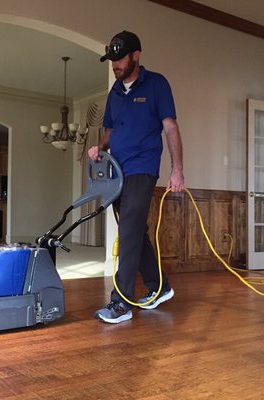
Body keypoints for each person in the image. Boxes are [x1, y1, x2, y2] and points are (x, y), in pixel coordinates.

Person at [89, 30, 185, 324]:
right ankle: (160, 286)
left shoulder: (156, 84)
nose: (115, 65)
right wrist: (100, 147)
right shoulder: (115, 93)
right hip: (117, 171)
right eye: (112, 60)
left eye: (119, 59)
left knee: (129, 232)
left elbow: (170, 127)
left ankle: (121, 303)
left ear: (136, 56)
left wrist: (177, 169)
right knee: (134, 231)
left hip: (142, 168)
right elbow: (110, 130)